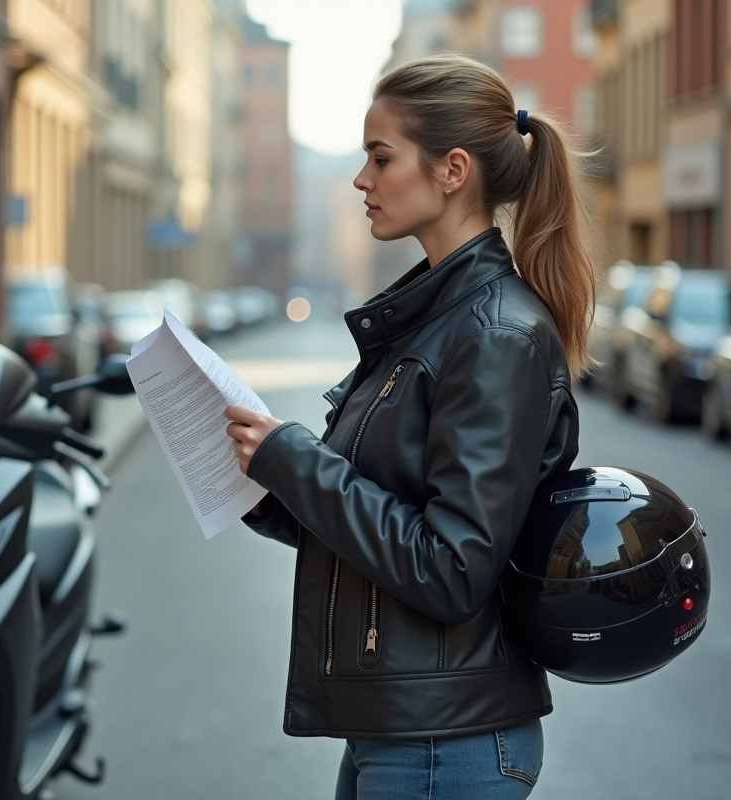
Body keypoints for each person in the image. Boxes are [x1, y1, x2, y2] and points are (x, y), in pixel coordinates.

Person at [224, 53, 595, 800]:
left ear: (453, 170)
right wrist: (271, 491)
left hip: (445, 742)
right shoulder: (433, 318)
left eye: (380, 157)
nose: (361, 180)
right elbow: (384, 523)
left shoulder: (495, 333)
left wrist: (296, 462)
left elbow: (452, 568)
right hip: (402, 729)